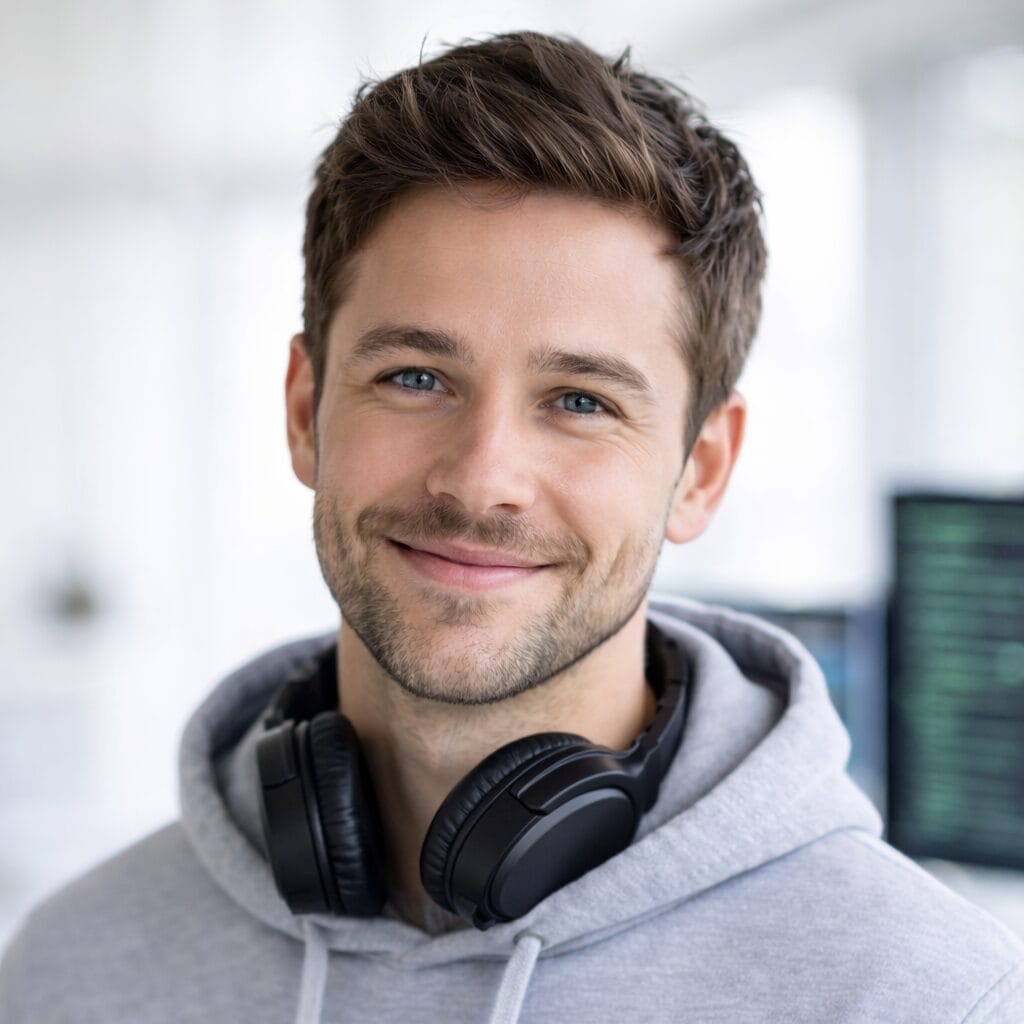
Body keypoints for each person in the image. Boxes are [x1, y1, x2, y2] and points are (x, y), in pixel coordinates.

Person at [1, 29, 1022, 1024]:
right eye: (414, 377)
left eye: (579, 400)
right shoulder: (72, 966)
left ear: (700, 469)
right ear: (306, 410)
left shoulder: (931, 995)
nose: (481, 478)